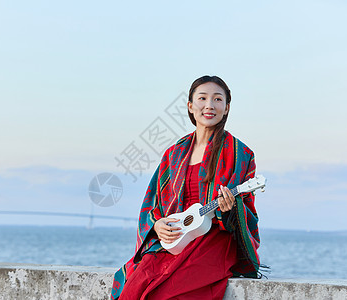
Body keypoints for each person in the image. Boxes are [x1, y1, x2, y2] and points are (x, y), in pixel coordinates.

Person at [111, 75, 261, 299]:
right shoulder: (174, 153)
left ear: (227, 107)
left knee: (167, 293)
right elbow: (153, 202)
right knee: (134, 288)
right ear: (190, 106)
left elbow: (247, 213)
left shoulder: (240, 154)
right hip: (175, 237)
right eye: (202, 98)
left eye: (218, 100)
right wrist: (158, 224)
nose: (209, 105)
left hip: (214, 241)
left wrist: (231, 209)